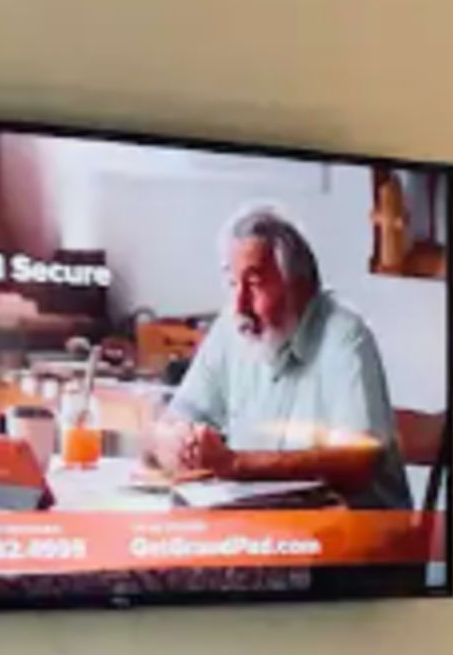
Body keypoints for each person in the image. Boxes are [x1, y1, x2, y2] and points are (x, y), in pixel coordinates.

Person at [145, 206, 413, 508]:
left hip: (357, 539)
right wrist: (176, 442)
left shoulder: (345, 336)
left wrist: (235, 464)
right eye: (233, 284)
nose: (240, 305)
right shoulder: (230, 327)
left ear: (299, 287)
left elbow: (358, 463)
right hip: (267, 531)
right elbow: (173, 420)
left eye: (255, 284)